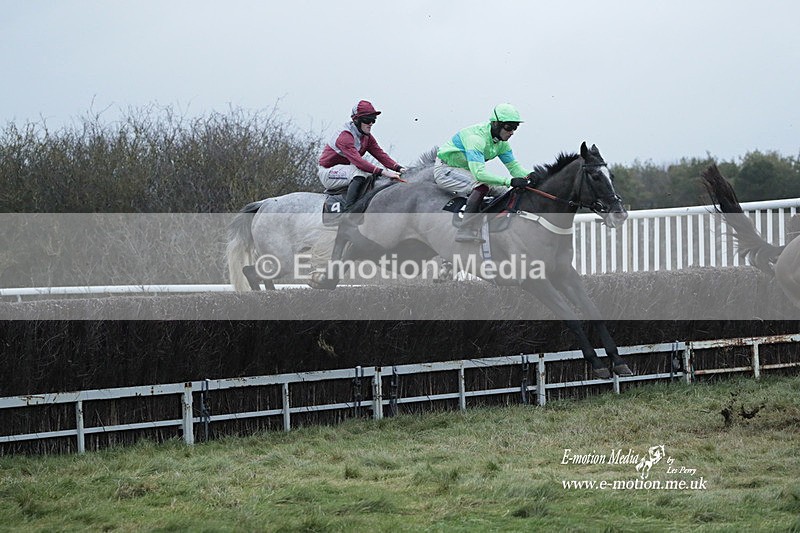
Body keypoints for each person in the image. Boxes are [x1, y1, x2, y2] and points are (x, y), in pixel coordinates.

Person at [435, 103, 533, 243]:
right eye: (509, 127)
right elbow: (479, 174)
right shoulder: (476, 138)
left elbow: (514, 168)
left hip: (466, 171)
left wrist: (532, 175)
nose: (512, 132)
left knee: (506, 192)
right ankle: (465, 229)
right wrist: (509, 181)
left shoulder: (502, 144)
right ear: (495, 124)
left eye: (515, 128)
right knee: (481, 186)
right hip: (445, 169)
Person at [318, 100, 406, 211]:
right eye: (367, 120)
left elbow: (380, 154)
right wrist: (384, 172)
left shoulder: (366, 136)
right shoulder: (345, 136)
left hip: (345, 171)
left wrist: (399, 168)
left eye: (373, 120)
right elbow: (358, 162)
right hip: (328, 172)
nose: (371, 123)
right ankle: (349, 213)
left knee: (370, 175)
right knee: (359, 172)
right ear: (356, 120)